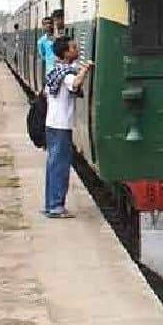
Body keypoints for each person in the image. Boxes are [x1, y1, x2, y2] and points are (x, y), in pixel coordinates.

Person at [43, 36, 93, 219]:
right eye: (73, 47)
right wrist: (86, 69)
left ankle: (50, 203)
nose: (77, 49)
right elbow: (75, 83)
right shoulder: (66, 73)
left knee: (53, 166)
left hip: (52, 124)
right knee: (60, 167)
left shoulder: (56, 70)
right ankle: (56, 206)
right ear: (66, 53)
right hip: (61, 126)